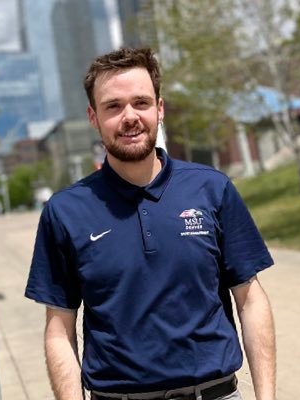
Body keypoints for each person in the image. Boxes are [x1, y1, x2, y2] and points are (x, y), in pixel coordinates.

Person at [25, 47, 276, 400]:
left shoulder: (212, 188)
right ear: (93, 117)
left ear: (159, 109)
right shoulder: (66, 211)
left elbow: (250, 300)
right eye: (113, 106)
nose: (129, 117)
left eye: (141, 103)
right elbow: (59, 329)